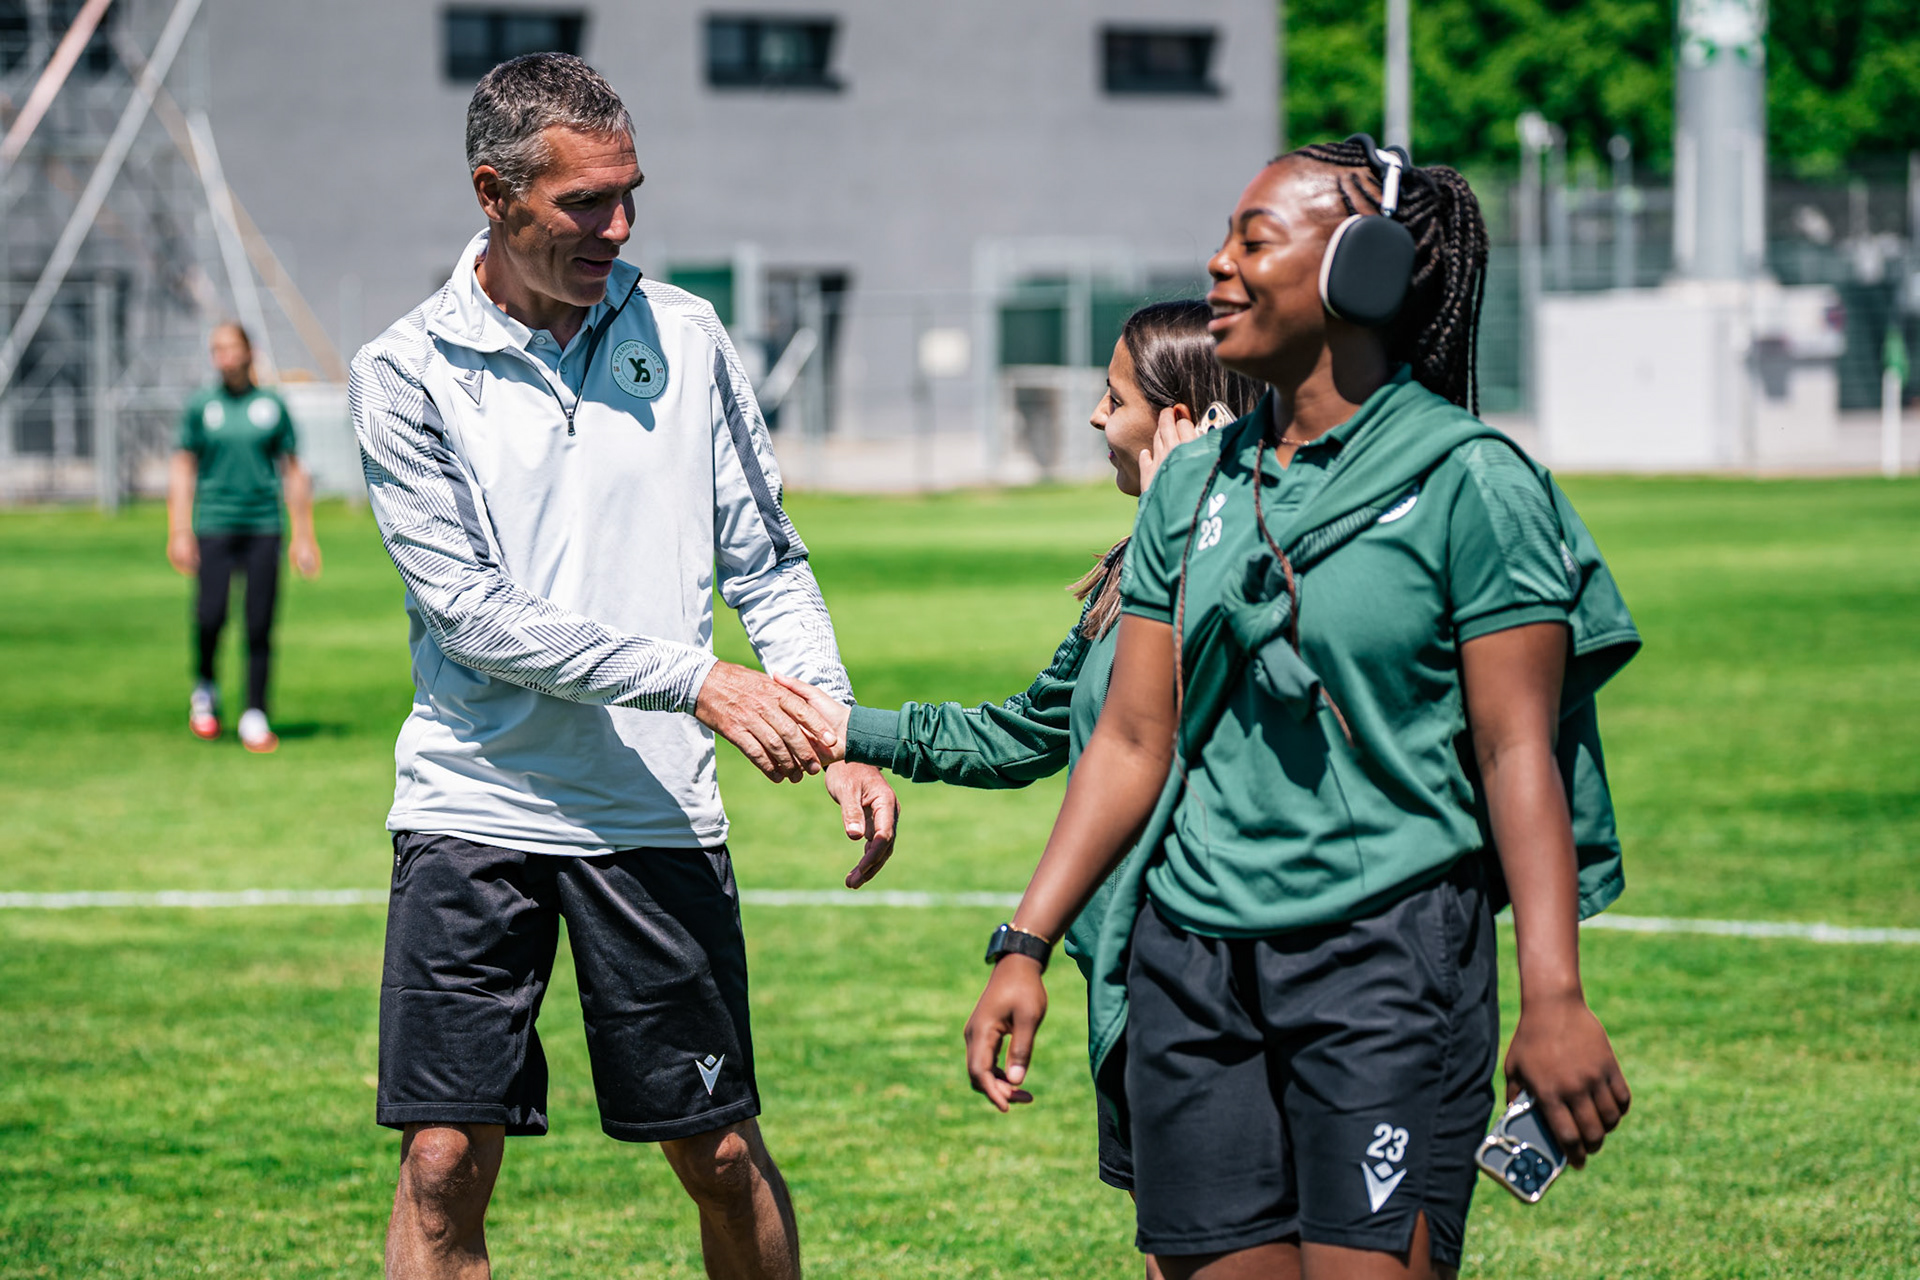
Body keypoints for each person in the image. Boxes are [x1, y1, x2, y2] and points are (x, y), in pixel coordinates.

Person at [962, 137, 1641, 1280]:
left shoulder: (1471, 481)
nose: (1217, 265)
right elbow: (1135, 736)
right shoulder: (1193, 482)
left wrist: (1555, 995)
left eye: (1254, 241)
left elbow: (1516, 745)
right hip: (1193, 963)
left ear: (1360, 272)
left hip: (1388, 964)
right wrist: (1025, 942)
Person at [349, 53, 899, 1280]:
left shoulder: (687, 334)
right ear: (494, 192)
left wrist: (836, 726)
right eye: (584, 203)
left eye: (629, 193)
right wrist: (696, 679)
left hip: (653, 812)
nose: (620, 225)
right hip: (470, 803)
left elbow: (766, 558)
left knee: (715, 1151)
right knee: (442, 1155)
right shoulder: (403, 371)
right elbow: (475, 616)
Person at [783, 300, 1259, 1276]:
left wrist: (1199, 513)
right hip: (1134, 979)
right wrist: (845, 728)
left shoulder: (1258, 561)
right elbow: (1023, 731)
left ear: (1186, 413)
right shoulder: (1129, 579)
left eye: (1115, 395)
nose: (1094, 417)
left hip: (1232, 978)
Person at [166, 321, 321, 754]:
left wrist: (303, 536)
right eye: (216, 348)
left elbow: (292, 471)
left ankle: (255, 712)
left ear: (248, 351)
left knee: (259, 623)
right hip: (214, 525)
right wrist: (179, 530)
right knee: (210, 616)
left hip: (262, 527)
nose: (224, 356)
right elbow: (182, 468)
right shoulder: (203, 406)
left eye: (230, 347)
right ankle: (206, 688)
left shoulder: (271, 406)